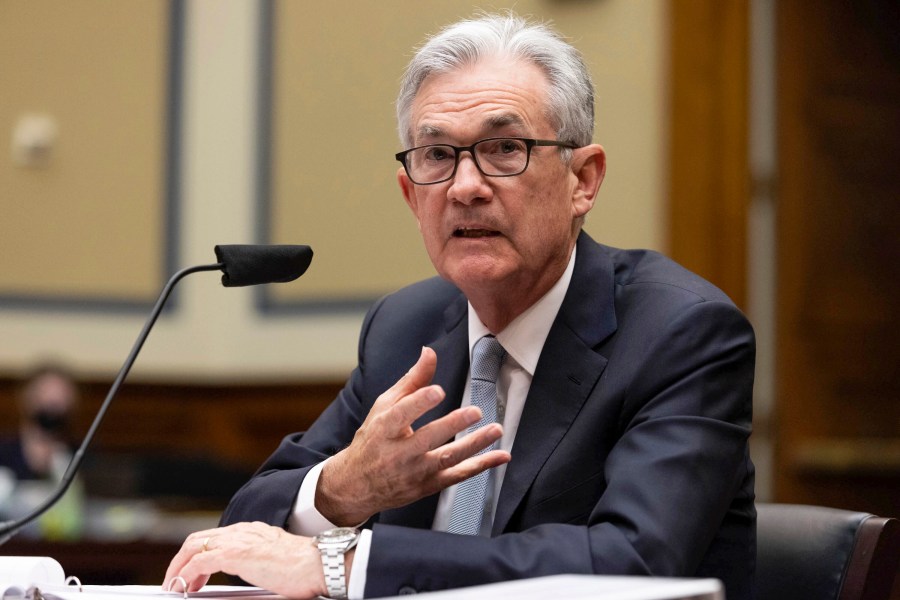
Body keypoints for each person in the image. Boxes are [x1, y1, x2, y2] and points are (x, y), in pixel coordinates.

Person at [165, 12, 756, 600]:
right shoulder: (406, 327)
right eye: (438, 156)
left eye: (505, 148)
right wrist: (342, 489)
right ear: (410, 196)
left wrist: (348, 561)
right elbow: (249, 521)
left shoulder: (680, 333)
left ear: (584, 181)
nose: (464, 186)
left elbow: (633, 563)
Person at [0, 363, 79, 482]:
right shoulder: (4, 453)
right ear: (26, 397)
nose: (53, 403)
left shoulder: (79, 456)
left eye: (62, 397)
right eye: (45, 393)